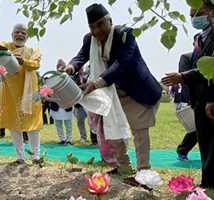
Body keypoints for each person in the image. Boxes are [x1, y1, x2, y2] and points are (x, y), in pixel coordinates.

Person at [62, 4, 162, 175]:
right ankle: (124, 167)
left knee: (139, 131)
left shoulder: (125, 34)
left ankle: (144, 172)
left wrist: (97, 83)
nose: (97, 30)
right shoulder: (89, 39)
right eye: (92, 26)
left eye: (100, 24)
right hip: (110, 94)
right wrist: (70, 67)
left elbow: (123, 63)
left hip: (135, 91)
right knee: (112, 131)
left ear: (110, 20)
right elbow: (81, 56)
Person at [162, 2, 214, 188]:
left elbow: (209, 68)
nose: (195, 17)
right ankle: (207, 182)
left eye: (198, 12)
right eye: (191, 14)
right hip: (199, 100)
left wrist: (183, 77)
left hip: (210, 99)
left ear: (210, 11)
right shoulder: (200, 37)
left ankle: (209, 184)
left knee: (210, 144)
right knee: (205, 143)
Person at [0, 24, 42, 164]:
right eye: (17, 32)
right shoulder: (8, 47)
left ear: (27, 36)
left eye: (23, 33)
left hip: (29, 90)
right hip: (10, 90)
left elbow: (36, 64)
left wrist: (23, 61)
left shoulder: (33, 50)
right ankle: (20, 157)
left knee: (33, 124)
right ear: (12, 34)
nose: (20, 35)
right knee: (14, 123)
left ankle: (36, 156)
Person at [171, 53, 197, 161]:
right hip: (195, 97)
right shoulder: (187, 57)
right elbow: (184, 79)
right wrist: (189, 99)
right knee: (196, 129)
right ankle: (182, 150)